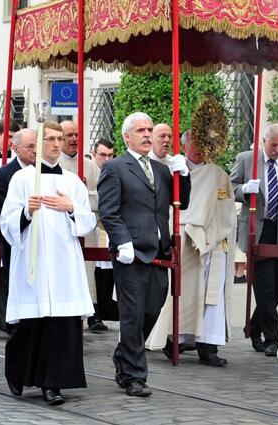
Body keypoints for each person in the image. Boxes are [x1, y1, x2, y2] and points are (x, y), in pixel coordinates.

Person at [1, 121, 95, 406]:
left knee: (61, 326)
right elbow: (6, 221)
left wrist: (72, 208)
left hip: (64, 263)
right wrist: (27, 212)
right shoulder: (22, 179)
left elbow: (88, 221)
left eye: (59, 139)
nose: (56, 144)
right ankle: (18, 372)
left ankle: (52, 383)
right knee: (32, 324)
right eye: (50, 139)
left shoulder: (73, 181)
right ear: (39, 143)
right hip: (35, 262)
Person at [98, 112, 191, 397]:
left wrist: (184, 175)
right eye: (141, 130)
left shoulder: (161, 170)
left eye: (150, 129)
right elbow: (108, 211)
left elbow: (182, 202)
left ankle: (123, 355)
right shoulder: (115, 168)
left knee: (152, 309)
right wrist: (122, 241)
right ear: (127, 136)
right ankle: (134, 376)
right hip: (131, 254)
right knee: (133, 314)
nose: (148, 134)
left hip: (159, 252)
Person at [147, 129, 235, 366]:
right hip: (183, 241)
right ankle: (174, 339)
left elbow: (226, 210)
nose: (198, 149)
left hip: (211, 242)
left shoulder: (218, 174)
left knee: (211, 297)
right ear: (184, 146)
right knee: (181, 293)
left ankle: (208, 346)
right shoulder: (172, 171)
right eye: (194, 144)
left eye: (203, 144)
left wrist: (212, 232)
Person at [231, 123, 278, 357]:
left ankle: (254, 326)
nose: (277, 150)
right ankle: (272, 338)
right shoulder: (246, 160)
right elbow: (230, 188)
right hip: (258, 230)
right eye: (274, 145)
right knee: (264, 286)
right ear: (264, 141)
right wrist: (245, 189)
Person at [0, 128, 37, 337]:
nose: (35, 150)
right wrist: (12, 234)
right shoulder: (3, 175)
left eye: (37, 145)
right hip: (14, 240)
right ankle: (14, 324)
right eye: (30, 146)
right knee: (14, 281)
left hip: (40, 242)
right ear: (15, 148)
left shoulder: (43, 172)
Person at [58, 120, 103, 332]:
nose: (74, 139)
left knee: (86, 273)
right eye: (68, 135)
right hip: (61, 229)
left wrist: (84, 194)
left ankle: (89, 315)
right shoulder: (54, 164)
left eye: (76, 134)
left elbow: (100, 199)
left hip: (86, 229)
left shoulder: (90, 166)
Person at [91, 137, 117, 331]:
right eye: (102, 155)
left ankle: (105, 311)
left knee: (108, 275)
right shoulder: (90, 170)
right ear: (94, 155)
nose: (107, 159)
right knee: (93, 274)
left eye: (110, 155)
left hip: (109, 228)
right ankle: (94, 314)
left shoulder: (116, 171)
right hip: (93, 228)